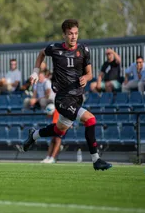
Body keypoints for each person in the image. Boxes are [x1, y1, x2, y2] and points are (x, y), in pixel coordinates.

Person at [22, 19, 112, 171]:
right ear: (64, 34)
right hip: (63, 99)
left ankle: (34, 135)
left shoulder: (84, 50)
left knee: (59, 130)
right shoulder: (55, 49)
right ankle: (96, 160)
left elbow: (90, 74)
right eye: (70, 34)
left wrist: (86, 78)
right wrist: (35, 73)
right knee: (90, 120)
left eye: (76, 33)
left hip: (77, 98)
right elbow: (41, 54)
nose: (74, 37)